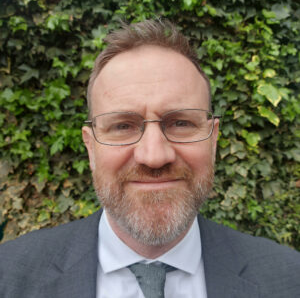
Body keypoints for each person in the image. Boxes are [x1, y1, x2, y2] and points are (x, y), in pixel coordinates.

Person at [0, 19, 299, 298]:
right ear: (90, 148)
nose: (154, 157)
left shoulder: (288, 278)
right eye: (123, 126)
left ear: (213, 139)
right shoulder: (9, 277)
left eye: (181, 123)